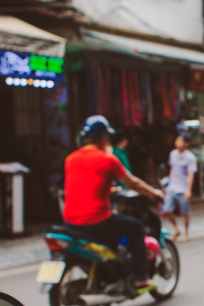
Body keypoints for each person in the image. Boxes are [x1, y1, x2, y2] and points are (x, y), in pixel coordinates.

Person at [63, 116, 164, 290]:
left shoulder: (70, 159)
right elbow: (133, 184)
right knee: (136, 227)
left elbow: (84, 184)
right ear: (103, 138)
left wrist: (110, 191)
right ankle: (140, 277)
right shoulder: (107, 160)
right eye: (107, 137)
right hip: (95, 221)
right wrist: (154, 193)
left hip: (70, 222)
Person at [162, 132, 197, 242]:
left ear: (186, 143)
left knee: (185, 212)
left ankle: (186, 233)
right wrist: (168, 183)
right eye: (177, 140)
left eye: (180, 140)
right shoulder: (172, 154)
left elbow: (191, 174)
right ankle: (176, 229)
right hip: (172, 187)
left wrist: (188, 190)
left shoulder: (190, 157)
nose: (177, 142)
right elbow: (171, 169)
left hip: (183, 188)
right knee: (167, 210)